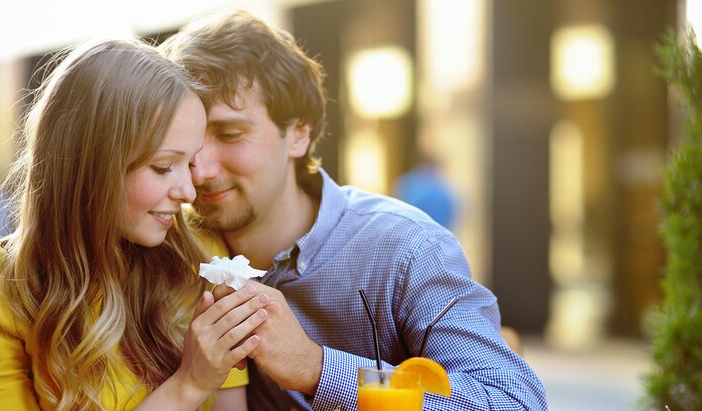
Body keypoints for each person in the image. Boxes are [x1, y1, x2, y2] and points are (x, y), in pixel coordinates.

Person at [160, 10, 548, 410]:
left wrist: (314, 367)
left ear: (298, 134)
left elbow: (515, 403)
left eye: (229, 134)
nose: (199, 170)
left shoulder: (406, 250)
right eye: (186, 141)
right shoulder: (163, 254)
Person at [0, 39, 270, 411]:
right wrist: (189, 385)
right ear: (91, 165)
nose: (189, 192)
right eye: (163, 167)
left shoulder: (199, 259)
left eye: (190, 163)